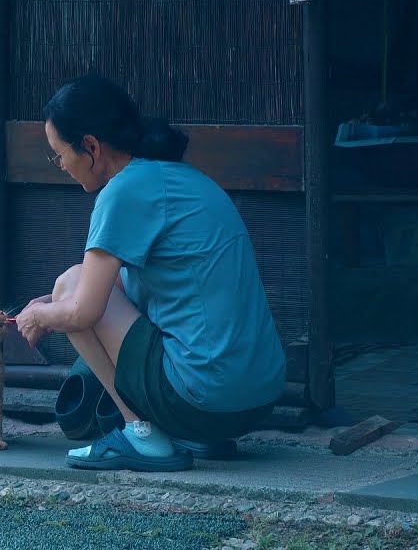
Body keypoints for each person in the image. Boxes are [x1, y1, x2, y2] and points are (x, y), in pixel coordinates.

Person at [15, 75, 285, 472]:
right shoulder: (183, 177)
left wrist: (38, 316)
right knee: (74, 290)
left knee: (72, 284)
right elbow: (155, 284)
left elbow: (83, 312)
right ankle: (188, 434)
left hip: (202, 398)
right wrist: (55, 305)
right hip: (258, 397)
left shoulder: (123, 190)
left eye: (59, 154)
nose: (61, 167)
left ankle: (142, 435)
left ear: (90, 146)